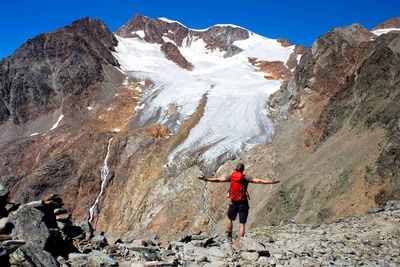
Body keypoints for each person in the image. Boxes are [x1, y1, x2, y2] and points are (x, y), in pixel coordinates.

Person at [196, 163, 280, 243]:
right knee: (242, 224)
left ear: (236, 169)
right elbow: (259, 181)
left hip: (233, 202)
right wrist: (271, 182)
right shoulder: (245, 177)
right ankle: (239, 242)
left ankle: (229, 237)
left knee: (229, 219)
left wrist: (206, 179)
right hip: (243, 202)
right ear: (243, 169)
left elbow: (218, 180)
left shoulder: (231, 176)